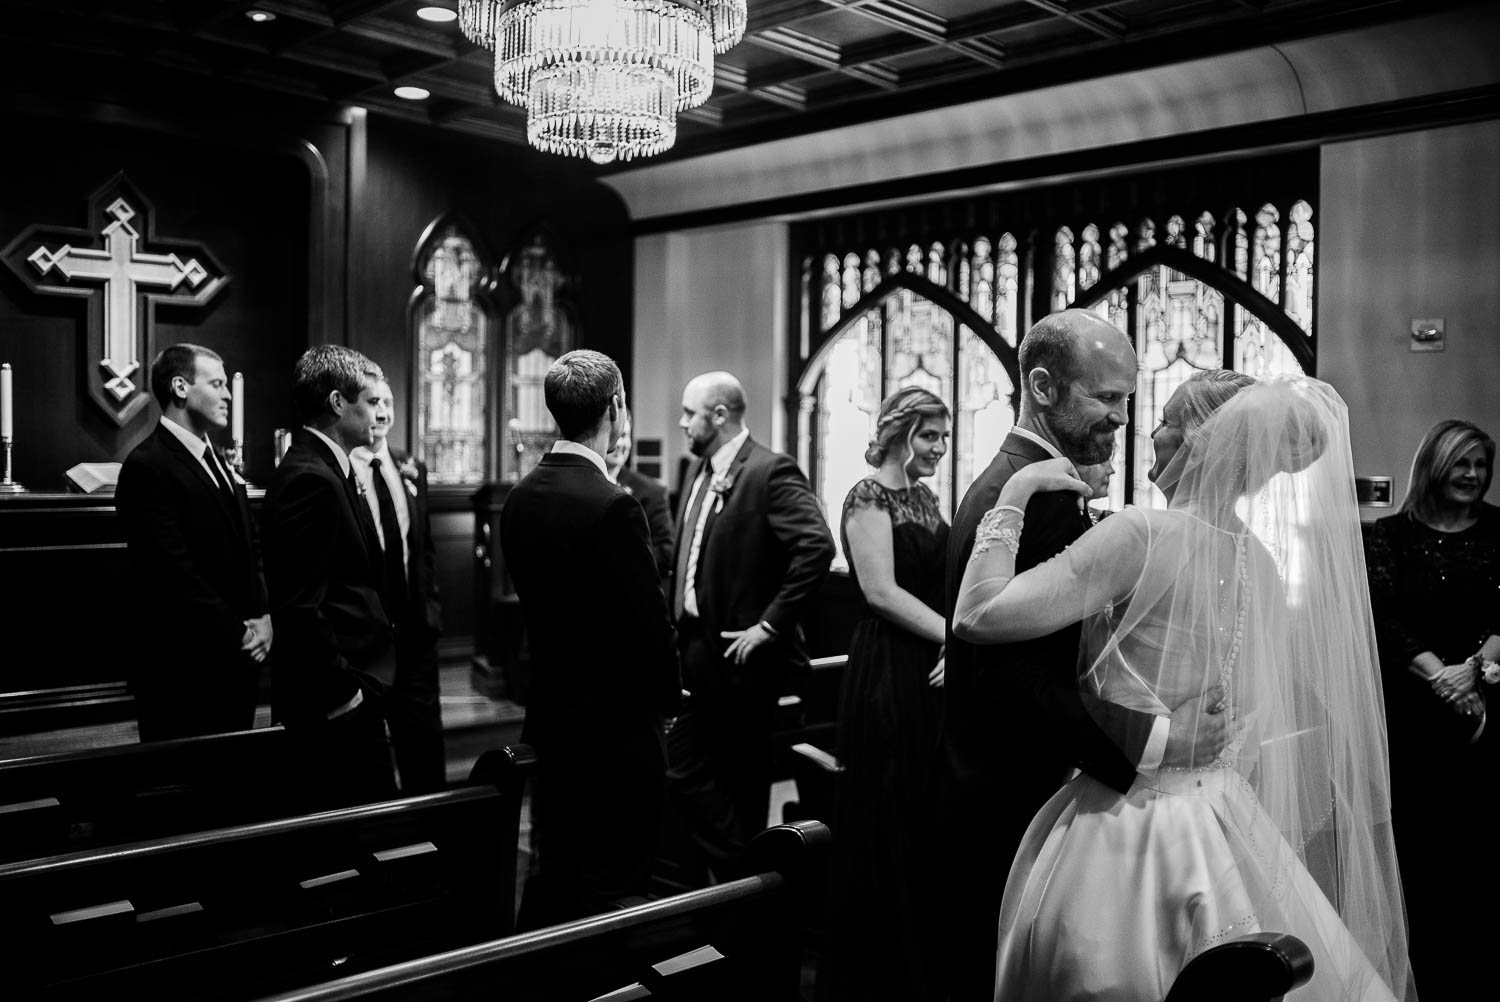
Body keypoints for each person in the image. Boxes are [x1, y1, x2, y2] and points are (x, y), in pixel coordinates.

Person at [954, 373, 1413, 1001]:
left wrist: (1016, 489)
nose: (1151, 431)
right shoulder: (1264, 564)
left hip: (1127, 822)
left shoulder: (1140, 534)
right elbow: (1242, 718)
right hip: (1219, 809)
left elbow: (978, 615)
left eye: (1167, 419)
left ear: (1201, 441)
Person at [938, 314, 1233, 1002]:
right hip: (1009, 790)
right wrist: (1158, 738)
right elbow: (1011, 681)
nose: (1124, 419)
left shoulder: (1038, 484)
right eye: (1107, 398)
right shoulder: (1028, 494)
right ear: (1042, 387)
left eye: (1132, 401)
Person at [499, 349, 679, 930]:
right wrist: (668, 703)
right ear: (616, 407)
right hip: (615, 730)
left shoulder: (521, 497)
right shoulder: (614, 505)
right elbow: (650, 624)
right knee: (614, 879)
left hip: (552, 714)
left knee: (558, 862)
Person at [667, 370, 835, 880]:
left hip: (743, 659)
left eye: (689, 413)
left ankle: (750, 894)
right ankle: (744, 875)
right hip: (696, 648)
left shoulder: (769, 471)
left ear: (719, 415)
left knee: (739, 781)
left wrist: (769, 625)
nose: (680, 423)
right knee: (686, 767)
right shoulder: (698, 472)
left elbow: (816, 546)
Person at [822, 387, 950, 1002]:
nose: (940, 450)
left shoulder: (924, 498)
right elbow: (880, 592)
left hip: (930, 661)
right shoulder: (867, 495)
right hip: (888, 667)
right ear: (901, 433)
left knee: (923, 806)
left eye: (944, 438)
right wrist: (958, 640)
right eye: (931, 436)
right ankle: (876, 967)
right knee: (887, 804)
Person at [1365, 418, 1498, 999]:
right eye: (1461, 463)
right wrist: (1441, 676)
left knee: (1481, 847)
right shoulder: (1387, 535)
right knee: (1417, 845)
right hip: (1412, 715)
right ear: (1434, 466)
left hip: (1487, 709)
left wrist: (1477, 668)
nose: (1472, 475)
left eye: (1481, 465)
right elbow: (1383, 617)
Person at [261, 345, 397, 809]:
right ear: (338, 403)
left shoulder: (328, 469)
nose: (378, 413)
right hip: (333, 704)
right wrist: (347, 693)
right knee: (349, 842)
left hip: (352, 692)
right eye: (370, 401)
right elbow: (300, 605)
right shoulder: (309, 477)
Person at [116, 344, 272, 741]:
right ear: (181, 387)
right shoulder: (147, 466)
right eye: (217, 384)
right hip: (182, 666)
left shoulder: (219, 461)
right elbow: (170, 573)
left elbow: (250, 547)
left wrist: (264, 618)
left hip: (239, 659)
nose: (228, 395)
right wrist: (237, 633)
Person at [351, 379, 446, 794]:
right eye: (374, 402)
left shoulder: (411, 468)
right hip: (367, 643)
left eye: (388, 402)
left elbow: (424, 547)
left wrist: (431, 610)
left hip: (416, 636)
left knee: (424, 755)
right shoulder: (339, 472)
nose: (383, 412)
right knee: (368, 766)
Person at [605, 404, 673, 580]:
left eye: (625, 436)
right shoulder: (581, 485)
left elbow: (665, 552)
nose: (620, 443)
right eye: (615, 436)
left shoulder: (651, 491)